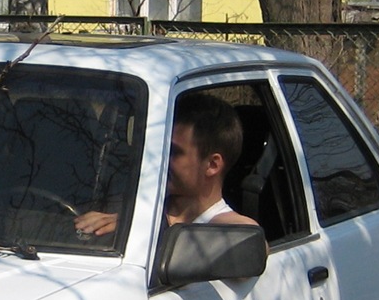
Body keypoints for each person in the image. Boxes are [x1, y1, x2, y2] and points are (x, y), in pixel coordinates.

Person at [74, 91, 260, 237]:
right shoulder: (130, 208)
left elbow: (252, 246)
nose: (159, 158)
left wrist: (140, 230)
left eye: (173, 152)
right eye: (157, 147)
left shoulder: (229, 226)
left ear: (212, 164)